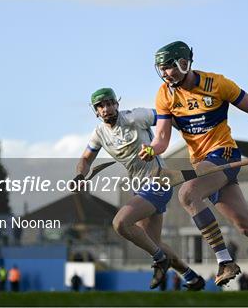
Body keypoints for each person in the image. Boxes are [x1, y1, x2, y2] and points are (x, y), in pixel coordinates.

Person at [139, 41, 248, 290]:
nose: (167, 72)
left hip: (223, 155)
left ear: (184, 62)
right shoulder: (165, 95)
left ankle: (225, 262)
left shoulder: (217, 83)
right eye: (162, 68)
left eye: (170, 66)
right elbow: (161, 139)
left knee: (188, 194)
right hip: (203, 164)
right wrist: (151, 150)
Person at [73, 87, 205, 291]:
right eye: (101, 106)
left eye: (109, 103)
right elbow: (85, 159)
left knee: (120, 223)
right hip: (140, 188)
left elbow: (168, 118)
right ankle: (192, 277)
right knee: (153, 242)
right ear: (96, 111)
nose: (106, 108)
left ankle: (160, 260)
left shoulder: (136, 117)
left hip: (159, 181)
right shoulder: (99, 134)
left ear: (117, 104)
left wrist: (195, 142)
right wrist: (81, 175)